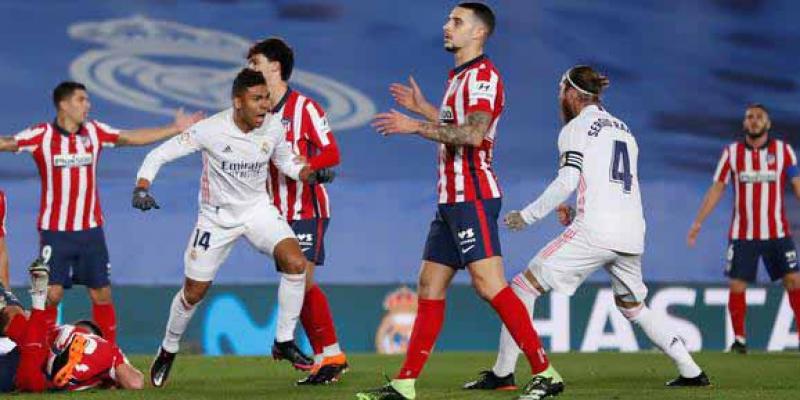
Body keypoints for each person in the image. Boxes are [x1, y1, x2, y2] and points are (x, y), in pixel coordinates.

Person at [466, 66, 711, 397]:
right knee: (633, 307)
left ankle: (504, 373)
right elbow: (614, 184)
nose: (558, 98)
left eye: (559, 91)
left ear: (570, 93)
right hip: (631, 231)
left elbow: (568, 180)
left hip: (596, 230)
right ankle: (691, 370)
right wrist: (577, 207)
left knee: (523, 287)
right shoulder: (624, 130)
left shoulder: (576, 128)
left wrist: (528, 216)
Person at [358, 4, 556, 400]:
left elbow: (473, 135)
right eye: (449, 20)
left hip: (474, 196)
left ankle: (545, 372)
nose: (447, 26)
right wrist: (426, 109)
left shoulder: (483, 77)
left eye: (457, 22)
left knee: (488, 284)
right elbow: (455, 126)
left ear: (478, 34)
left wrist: (414, 125)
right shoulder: (459, 78)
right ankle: (406, 383)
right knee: (429, 284)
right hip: (450, 200)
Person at [139, 69, 333, 388]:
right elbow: (159, 154)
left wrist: (311, 174)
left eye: (267, 99)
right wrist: (142, 187)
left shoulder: (272, 127)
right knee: (193, 293)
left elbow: (287, 163)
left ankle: (283, 341)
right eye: (257, 99)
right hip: (216, 219)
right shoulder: (210, 130)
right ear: (237, 102)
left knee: (296, 263)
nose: (265, 106)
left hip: (257, 210)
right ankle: (168, 347)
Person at [0, 81, 203, 344]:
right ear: (64, 104)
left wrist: (174, 129)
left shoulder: (94, 132)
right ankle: (43, 350)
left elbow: (130, 137)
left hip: (90, 232)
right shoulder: (41, 135)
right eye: (81, 99)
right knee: (52, 295)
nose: (88, 105)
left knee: (101, 295)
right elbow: (7, 143)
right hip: (55, 232)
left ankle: (111, 356)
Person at [247, 37, 347, 384]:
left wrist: (310, 165)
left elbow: (332, 153)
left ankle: (330, 354)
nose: (250, 69)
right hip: (276, 215)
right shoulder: (256, 113)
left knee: (301, 281)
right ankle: (326, 357)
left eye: (255, 62)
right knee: (296, 285)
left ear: (275, 66)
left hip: (307, 207)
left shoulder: (305, 108)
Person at [687, 104, 800, 353]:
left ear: (768, 124)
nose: (754, 120)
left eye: (760, 117)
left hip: (777, 233)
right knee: (737, 285)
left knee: (794, 281)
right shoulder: (732, 153)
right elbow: (717, 188)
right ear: (744, 123)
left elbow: (797, 184)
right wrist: (698, 222)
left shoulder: (784, 152)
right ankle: (740, 340)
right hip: (743, 234)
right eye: (750, 117)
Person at [0, 256, 144, 392]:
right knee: (31, 378)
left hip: (34, 353)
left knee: (30, 369)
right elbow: (135, 383)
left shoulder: (64, 331)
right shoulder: (109, 352)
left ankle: (37, 301)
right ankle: (37, 301)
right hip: (37, 361)